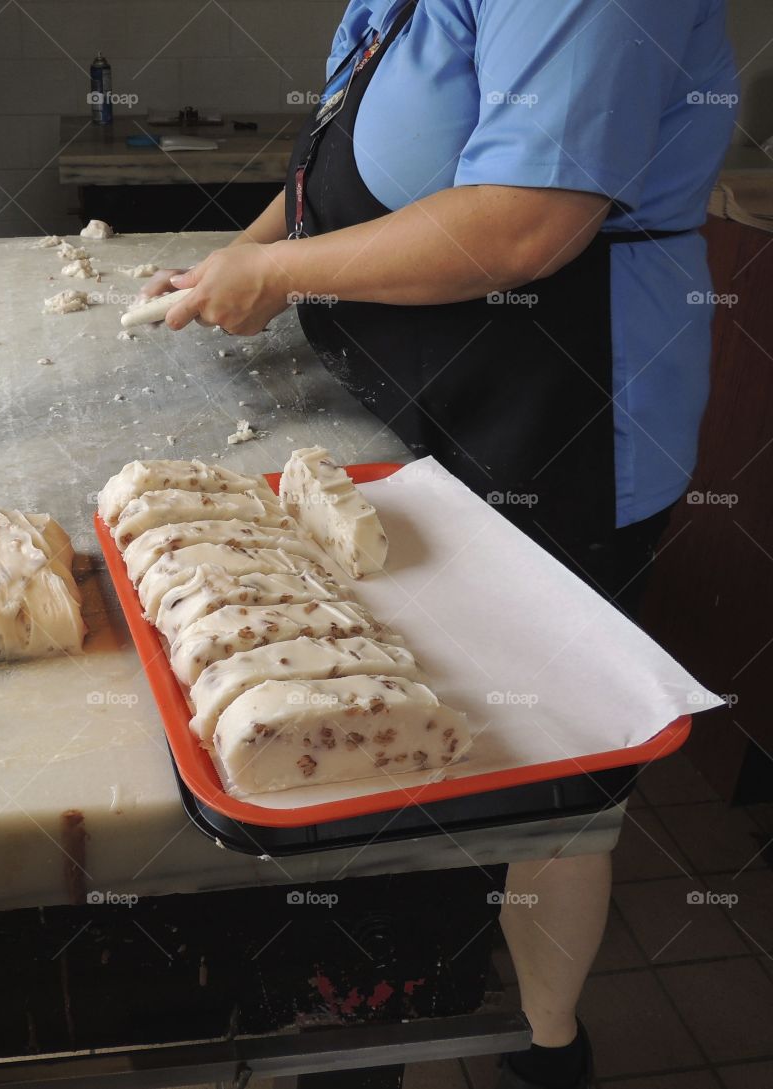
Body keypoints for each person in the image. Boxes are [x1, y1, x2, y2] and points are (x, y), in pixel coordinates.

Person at [141, 2, 738, 1085]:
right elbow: (343, 168)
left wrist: (273, 279)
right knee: (382, 717)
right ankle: (375, 990)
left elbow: (522, 224)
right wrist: (248, 250)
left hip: (558, 415)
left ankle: (543, 1039)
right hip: (422, 406)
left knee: (545, 769)